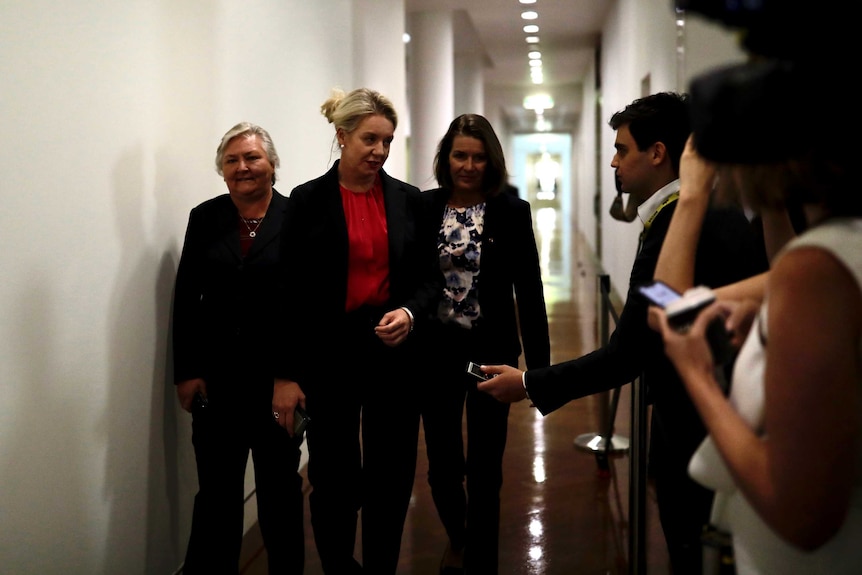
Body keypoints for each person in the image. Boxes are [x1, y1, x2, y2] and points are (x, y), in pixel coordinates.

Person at [476, 92, 768, 574]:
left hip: (700, 424)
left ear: (657, 153)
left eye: (622, 149)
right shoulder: (694, 213)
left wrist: (528, 383)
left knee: (692, 548)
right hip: (706, 417)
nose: (612, 160)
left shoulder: (685, 222)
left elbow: (629, 351)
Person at [650, 57, 862, 574]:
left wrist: (692, 195)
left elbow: (666, 306)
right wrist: (772, 204)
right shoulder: (834, 251)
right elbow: (778, 270)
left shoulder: (818, 271)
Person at [272, 88, 443, 574]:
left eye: (387, 141)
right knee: (333, 478)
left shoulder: (408, 199)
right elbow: (286, 294)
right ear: (342, 136)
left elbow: (431, 280)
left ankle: (383, 566)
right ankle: (338, 566)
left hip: (393, 351)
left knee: (391, 476)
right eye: (370, 139)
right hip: (330, 355)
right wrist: (284, 376)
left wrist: (409, 312)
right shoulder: (306, 201)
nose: (380, 151)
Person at [417, 114, 550, 574]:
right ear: (446, 158)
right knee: (442, 466)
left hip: (490, 355)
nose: (468, 165)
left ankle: (481, 560)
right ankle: (459, 533)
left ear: (490, 160)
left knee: (486, 466)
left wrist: (540, 374)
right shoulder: (424, 206)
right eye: (460, 155)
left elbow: (529, 293)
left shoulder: (512, 211)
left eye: (477, 156)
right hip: (435, 356)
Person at [172, 122, 304, 574]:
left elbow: (308, 306)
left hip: (278, 387)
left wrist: (290, 378)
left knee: (279, 495)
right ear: (222, 170)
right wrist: (186, 371)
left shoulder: (299, 218)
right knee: (217, 496)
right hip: (217, 385)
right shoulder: (204, 217)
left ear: (272, 165)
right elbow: (187, 298)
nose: (243, 167)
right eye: (232, 160)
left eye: (252, 158)